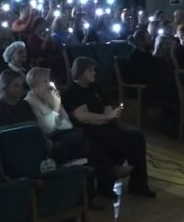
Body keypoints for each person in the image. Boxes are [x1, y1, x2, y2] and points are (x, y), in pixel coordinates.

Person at [62, 57, 155, 197]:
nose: (94, 73)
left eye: (94, 70)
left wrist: (108, 116)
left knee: (136, 136)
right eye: (90, 70)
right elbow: (82, 116)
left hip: (105, 124)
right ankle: (109, 177)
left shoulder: (96, 87)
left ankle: (138, 184)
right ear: (80, 72)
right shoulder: (72, 91)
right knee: (111, 140)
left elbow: (107, 106)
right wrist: (105, 118)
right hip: (87, 129)